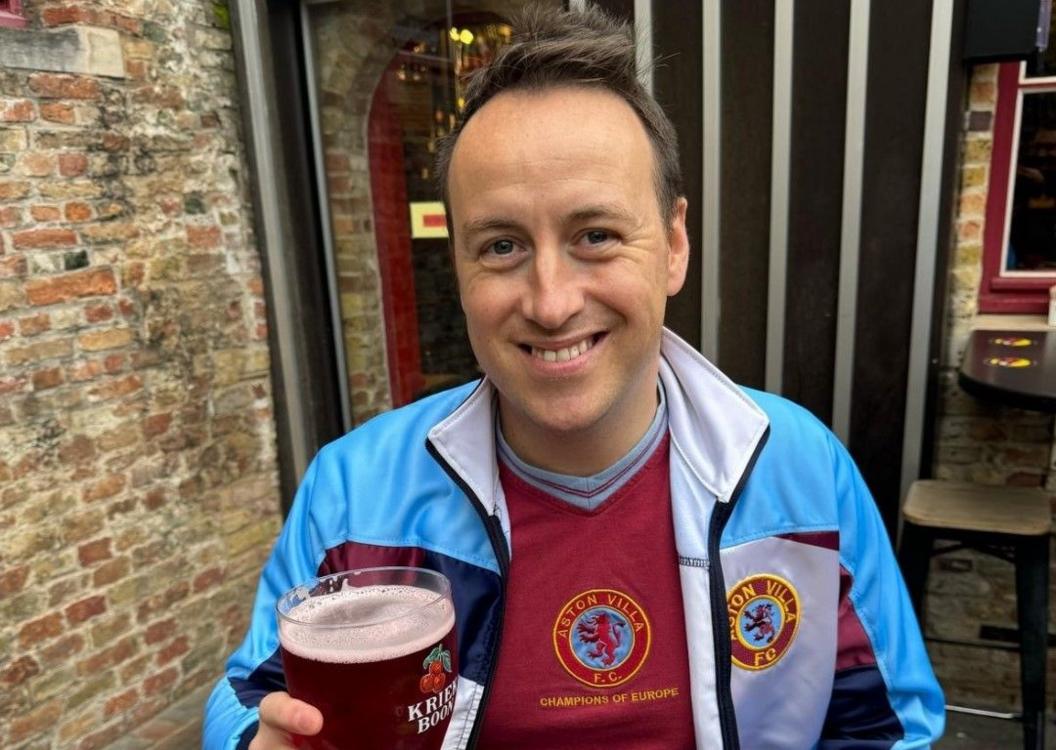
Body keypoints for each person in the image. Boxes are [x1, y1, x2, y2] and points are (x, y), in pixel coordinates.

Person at [204, 6, 945, 749]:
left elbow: (889, 728)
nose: (551, 302)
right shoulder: (354, 492)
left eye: (596, 236)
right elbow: (247, 698)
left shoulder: (800, 471)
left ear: (674, 245)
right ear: (457, 268)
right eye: (501, 246)